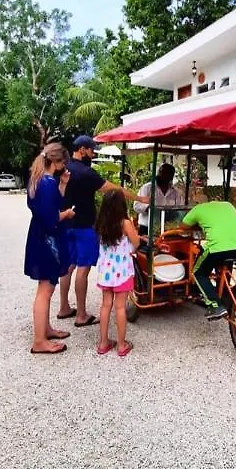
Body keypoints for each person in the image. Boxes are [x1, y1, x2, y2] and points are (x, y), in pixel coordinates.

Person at [57, 135, 148, 329]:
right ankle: (81, 315)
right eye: (91, 150)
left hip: (65, 224)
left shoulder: (63, 170)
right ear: (82, 149)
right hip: (83, 226)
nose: (92, 153)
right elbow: (114, 190)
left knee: (68, 266)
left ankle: (64, 307)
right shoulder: (87, 173)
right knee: (83, 268)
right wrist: (139, 198)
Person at [24, 143, 76, 354]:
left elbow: (52, 205)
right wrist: (67, 214)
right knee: (45, 290)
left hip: (40, 237)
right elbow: (51, 218)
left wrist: (62, 185)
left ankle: (45, 329)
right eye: (63, 163)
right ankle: (39, 341)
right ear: (56, 162)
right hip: (47, 241)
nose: (64, 167)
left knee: (46, 287)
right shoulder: (45, 183)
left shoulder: (39, 180)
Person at [180, 200, 236, 320]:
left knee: (198, 272)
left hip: (217, 247)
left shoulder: (198, 209)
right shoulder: (228, 205)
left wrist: (198, 224)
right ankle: (224, 295)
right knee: (223, 262)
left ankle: (215, 305)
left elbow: (183, 226)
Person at [95, 190, 141, 357]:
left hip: (106, 271)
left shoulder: (101, 222)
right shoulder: (125, 223)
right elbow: (135, 242)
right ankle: (121, 345)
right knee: (120, 307)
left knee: (105, 305)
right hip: (122, 271)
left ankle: (103, 343)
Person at [133, 163, 184, 235]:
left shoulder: (175, 193)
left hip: (167, 230)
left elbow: (180, 209)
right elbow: (136, 206)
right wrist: (150, 209)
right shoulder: (147, 188)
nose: (161, 175)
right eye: (160, 172)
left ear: (171, 177)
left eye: (166, 174)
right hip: (147, 228)